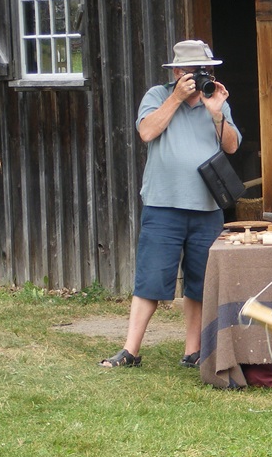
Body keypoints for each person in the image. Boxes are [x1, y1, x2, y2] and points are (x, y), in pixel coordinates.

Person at [100, 40, 241, 368]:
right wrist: (176, 98)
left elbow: (232, 147)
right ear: (176, 72)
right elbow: (147, 132)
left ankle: (193, 352)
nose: (198, 77)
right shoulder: (157, 96)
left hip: (207, 207)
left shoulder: (214, 99)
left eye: (204, 71)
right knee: (151, 279)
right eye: (191, 72)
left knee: (199, 282)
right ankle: (130, 351)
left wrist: (217, 113)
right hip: (164, 204)